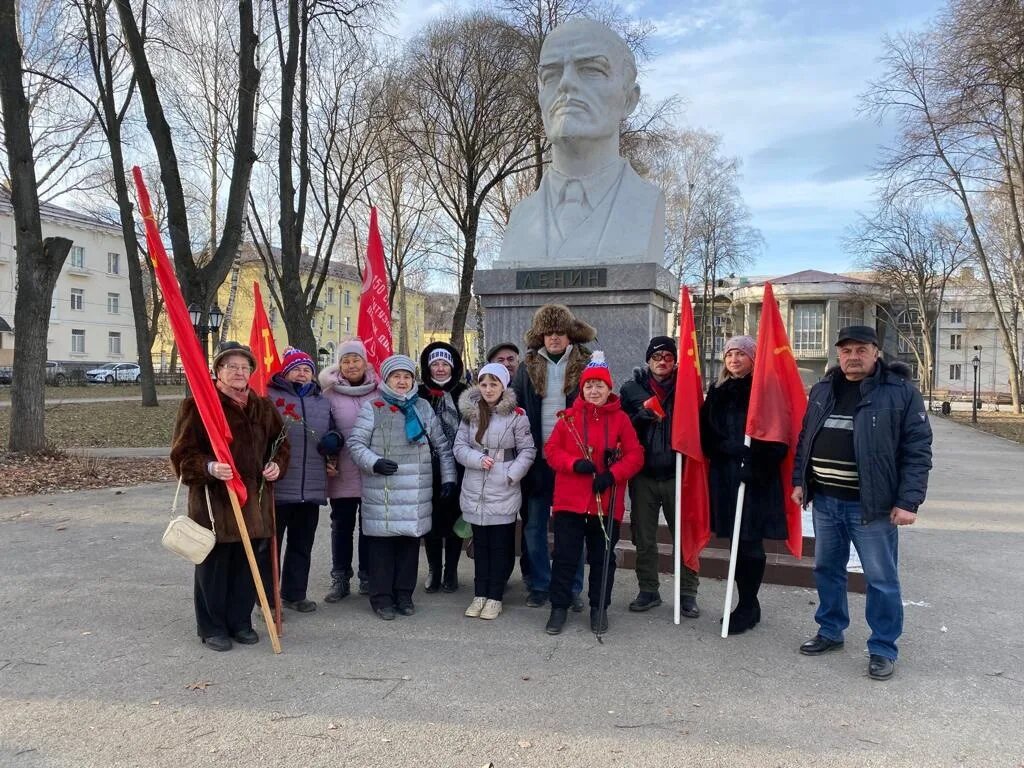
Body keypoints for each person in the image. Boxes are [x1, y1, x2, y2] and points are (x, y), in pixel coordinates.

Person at [792, 325, 932, 680]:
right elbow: (805, 438)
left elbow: (917, 452)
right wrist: (800, 481)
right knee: (827, 570)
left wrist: (909, 501)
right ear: (838, 354)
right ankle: (830, 631)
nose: (852, 357)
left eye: (861, 350)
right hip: (825, 501)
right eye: (846, 351)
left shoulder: (900, 393)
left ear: (875, 353)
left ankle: (883, 648)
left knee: (881, 578)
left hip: (872, 506)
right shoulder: (824, 389)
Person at [496, 18, 664, 268]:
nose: (566, 83)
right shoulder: (521, 218)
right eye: (551, 75)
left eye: (591, 70)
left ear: (629, 99)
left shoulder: (644, 206)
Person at [170, 341, 288, 652]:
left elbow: (281, 442)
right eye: (230, 366)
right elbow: (181, 457)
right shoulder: (198, 406)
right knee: (215, 565)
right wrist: (208, 466)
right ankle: (212, 627)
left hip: (255, 502)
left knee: (248, 565)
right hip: (215, 504)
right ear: (218, 371)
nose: (238, 372)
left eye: (244, 367)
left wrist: (278, 464)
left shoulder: (263, 407)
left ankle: (240, 622)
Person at [348, 354, 457, 620]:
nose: (402, 381)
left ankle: (404, 595)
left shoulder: (422, 407)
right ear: (386, 379)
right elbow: (356, 444)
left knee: (409, 545)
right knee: (382, 548)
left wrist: (448, 477)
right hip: (383, 490)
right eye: (396, 376)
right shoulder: (373, 407)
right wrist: (374, 462)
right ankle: (382, 598)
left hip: (416, 490)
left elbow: (442, 446)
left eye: (407, 376)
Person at [542, 352, 644, 635]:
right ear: (582, 389)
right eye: (589, 386)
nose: (594, 390)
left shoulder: (622, 420)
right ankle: (558, 607)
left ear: (609, 388)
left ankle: (599, 607)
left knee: (603, 559)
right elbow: (551, 451)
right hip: (570, 502)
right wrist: (574, 464)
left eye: (600, 385)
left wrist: (612, 474)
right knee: (565, 557)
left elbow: (635, 456)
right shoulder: (569, 418)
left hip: (605, 503)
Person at [699, 336, 788, 634]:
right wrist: (725, 448)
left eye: (741, 354)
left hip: (755, 478)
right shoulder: (718, 391)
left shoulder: (763, 390)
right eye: (730, 354)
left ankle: (748, 604)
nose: (734, 359)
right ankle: (746, 602)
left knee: (751, 542)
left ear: (753, 358)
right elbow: (706, 432)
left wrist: (756, 464)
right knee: (736, 542)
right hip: (726, 476)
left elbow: (778, 434)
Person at [511, 303, 593, 610]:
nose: (554, 338)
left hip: (573, 460)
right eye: (548, 332)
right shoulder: (528, 364)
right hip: (537, 459)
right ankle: (541, 584)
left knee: (571, 527)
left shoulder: (587, 362)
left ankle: (572, 587)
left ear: (569, 334)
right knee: (534, 525)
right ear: (540, 336)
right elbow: (515, 404)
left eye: (559, 332)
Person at [619, 335, 700, 617]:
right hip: (644, 475)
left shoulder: (687, 386)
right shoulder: (631, 389)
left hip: (679, 472)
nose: (662, 361)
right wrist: (640, 416)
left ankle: (687, 593)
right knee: (644, 537)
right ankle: (648, 589)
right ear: (648, 361)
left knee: (685, 537)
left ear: (675, 360)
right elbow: (620, 429)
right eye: (656, 357)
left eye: (668, 356)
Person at [453, 363, 536, 620]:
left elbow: (527, 450)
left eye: (494, 384)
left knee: (500, 545)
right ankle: (480, 593)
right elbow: (459, 447)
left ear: (503, 386)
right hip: (476, 485)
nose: (488, 389)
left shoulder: (517, 415)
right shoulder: (471, 414)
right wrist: (476, 459)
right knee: (481, 545)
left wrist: (512, 474)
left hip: (503, 487)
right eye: (484, 384)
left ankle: (495, 596)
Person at [263, 347, 342, 614]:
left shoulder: (322, 401)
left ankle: (294, 594)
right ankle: (267, 600)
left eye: (307, 369)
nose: (302, 373)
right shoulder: (270, 397)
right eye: (296, 368)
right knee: (271, 547)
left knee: (301, 544)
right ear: (285, 372)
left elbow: (335, 431)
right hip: (279, 484)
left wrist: (335, 442)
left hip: (311, 487)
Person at [319, 339, 380, 601]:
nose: (351, 365)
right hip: (342, 469)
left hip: (372, 470)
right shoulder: (329, 394)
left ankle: (368, 576)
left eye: (356, 360)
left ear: (365, 362)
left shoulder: (379, 391)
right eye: (346, 361)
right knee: (341, 526)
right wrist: (328, 456)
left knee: (370, 526)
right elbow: (323, 429)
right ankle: (340, 577)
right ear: (339, 365)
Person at [418, 341, 468, 593]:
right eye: (435, 364)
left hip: (457, 465)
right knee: (432, 520)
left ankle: (451, 570)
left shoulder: (464, 392)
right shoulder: (418, 393)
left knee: (453, 519)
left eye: (444, 363)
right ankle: (434, 569)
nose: (439, 368)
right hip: (425, 465)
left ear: (452, 366)